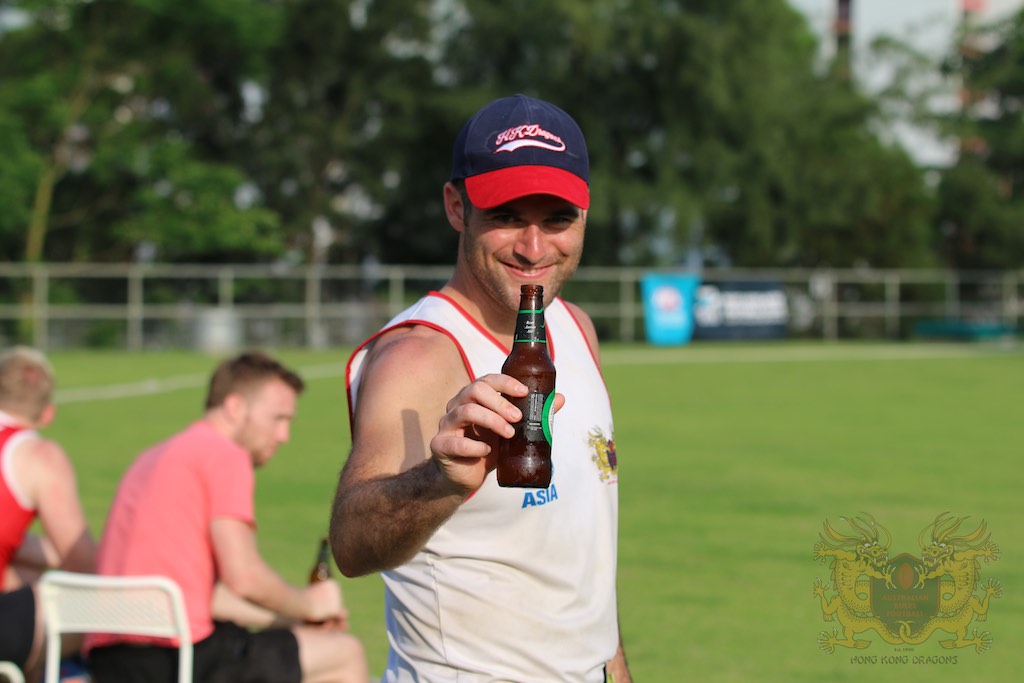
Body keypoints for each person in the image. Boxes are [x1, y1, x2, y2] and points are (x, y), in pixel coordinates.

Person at [330, 94, 632, 682]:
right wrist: (439, 481)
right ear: (456, 206)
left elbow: (583, 561)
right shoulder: (417, 355)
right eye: (507, 216)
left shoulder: (576, 328)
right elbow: (351, 543)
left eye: (558, 219)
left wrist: (614, 668)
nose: (534, 247)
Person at [86, 351, 368, 683]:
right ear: (235, 407)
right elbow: (244, 576)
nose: (284, 435)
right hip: (177, 656)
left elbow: (206, 599)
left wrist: (290, 620)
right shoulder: (224, 454)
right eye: (278, 419)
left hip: (111, 660)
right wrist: (311, 604)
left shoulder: (152, 457)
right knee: (344, 653)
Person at [0, 346, 97, 682]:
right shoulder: (36, 454)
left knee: (24, 574)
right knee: (108, 610)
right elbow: (82, 564)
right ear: (47, 414)